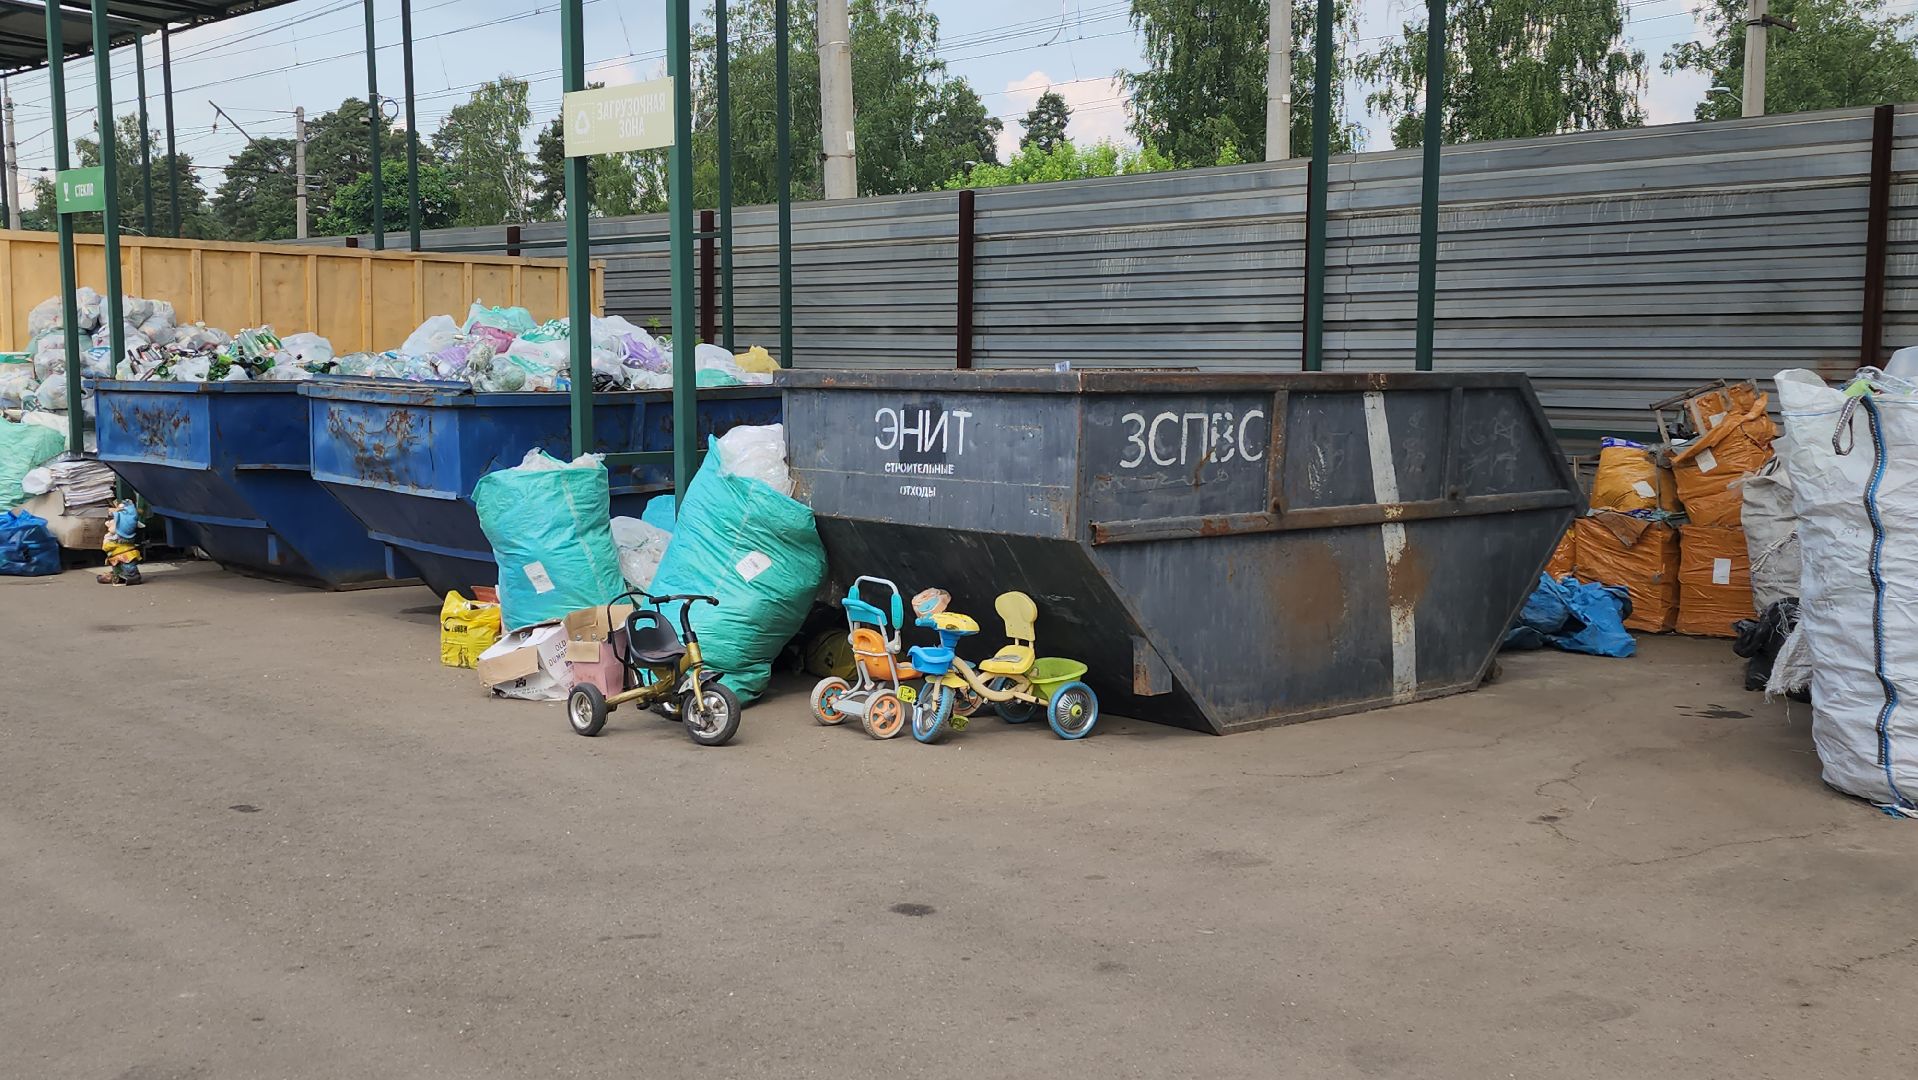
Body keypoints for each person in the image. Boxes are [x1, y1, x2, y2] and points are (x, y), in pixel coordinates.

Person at [98, 499, 143, 586]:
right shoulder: (113, 536)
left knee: (128, 567)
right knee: (118, 567)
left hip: (124, 555)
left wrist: (107, 542)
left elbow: (107, 547)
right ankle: (118, 577)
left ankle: (132, 577)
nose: (107, 523)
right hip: (116, 556)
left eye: (111, 521)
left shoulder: (118, 538)